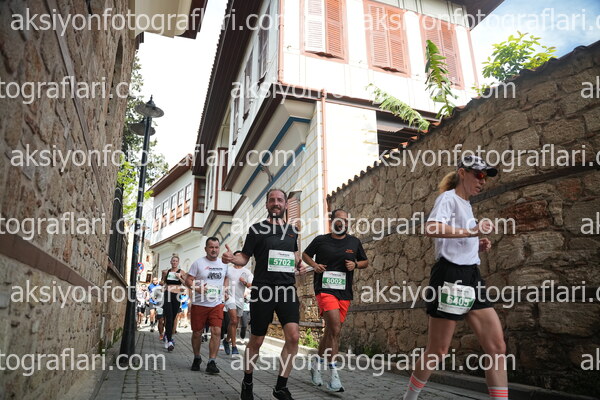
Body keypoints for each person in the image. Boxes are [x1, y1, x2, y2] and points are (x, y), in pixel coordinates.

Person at [401, 156, 507, 400]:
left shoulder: (466, 204)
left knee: (497, 347)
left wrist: (475, 243)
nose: (483, 181)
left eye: (485, 176)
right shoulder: (448, 198)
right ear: (462, 173)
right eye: (478, 175)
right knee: (438, 350)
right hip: (450, 276)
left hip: (472, 277)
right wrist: (471, 231)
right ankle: (410, 398)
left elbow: (455, 237)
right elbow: (431, 228)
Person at [222, 188, 308, 400]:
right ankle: (247, 381)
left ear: (285, 204)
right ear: (267, 204)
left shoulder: (292, 231)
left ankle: (281, 387)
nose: (276, 203)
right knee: (257, 340)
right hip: (263, 289)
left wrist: (300, 264)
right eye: (272, 200)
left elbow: (293, 254)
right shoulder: (256, 230)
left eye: (280, 200)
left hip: (286, 289)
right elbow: (244, 257)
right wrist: (232, 259)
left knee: (293, 337)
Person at [302, 208, 368, 392]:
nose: (343, 223)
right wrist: (314, 265)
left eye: (346, 220)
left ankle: (316, 363)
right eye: (340, 220)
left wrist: (355, 264)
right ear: (332, 221)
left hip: (344, 292)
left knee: (331, 331)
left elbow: (365, 262)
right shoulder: (321, 240)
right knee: (336, 330)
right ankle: (334, 376)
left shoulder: (354, 242)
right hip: (325, 289)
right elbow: (305, 255)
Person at [186, 237, 230, 374]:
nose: (214, 250)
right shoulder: (198, 263)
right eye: (211, 247)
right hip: (199, 304)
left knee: (216, 331)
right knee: (197, 333)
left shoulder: (224, 264)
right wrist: (197, 288)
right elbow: (188, 280)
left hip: (216, 303)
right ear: (206, 249)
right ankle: (197, 357)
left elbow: (226, 278)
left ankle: (212, 361)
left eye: (216, 247)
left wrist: (225, 290)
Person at [223, 251, 254, 356]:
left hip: (240, 299)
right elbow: (225, 280)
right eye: (237, 257)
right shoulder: (228, 269)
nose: (239, 259)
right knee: (234, 320)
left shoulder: (247, 272)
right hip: (229, 297)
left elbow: (252, 286)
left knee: (234, 323)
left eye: (241, 257)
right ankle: (234, 346)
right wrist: (225, 292)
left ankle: (226, 341)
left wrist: (244, 282)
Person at [161, 254, 186, 352]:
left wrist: (179, 277)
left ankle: (167, 335)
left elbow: (185, 283)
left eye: (176, 261)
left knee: (174, 316)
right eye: (173, 261)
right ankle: (169, 340)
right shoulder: (166, 272)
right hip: (168, 294)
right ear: (171, 262)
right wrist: (162, 280)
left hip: (177, 296)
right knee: (169, 317)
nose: (174, 262)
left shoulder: (181, 272)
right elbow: (162, 282)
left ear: (178, 262)